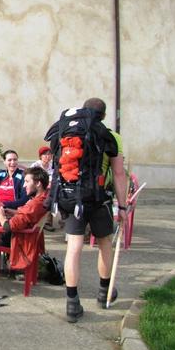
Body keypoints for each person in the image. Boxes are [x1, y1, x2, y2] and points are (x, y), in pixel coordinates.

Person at [62, 98, 128, 323]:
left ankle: (72, 303)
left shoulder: (70, 132)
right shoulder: (112, 137)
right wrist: (123, 205)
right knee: (105, 243)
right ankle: (103, 291)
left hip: (73, 198)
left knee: (74, 248)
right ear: (104, 115)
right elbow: (119, 174)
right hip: (100, 199)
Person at [0, 166, 49, 251]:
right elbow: (27, 216)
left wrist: (0, 216)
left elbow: (8, 227)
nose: (24, 185)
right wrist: (13, 212)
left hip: (16, 238)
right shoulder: (43, 199)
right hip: (23, 236)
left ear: (38, 183)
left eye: (27, 181)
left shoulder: (35, 204)